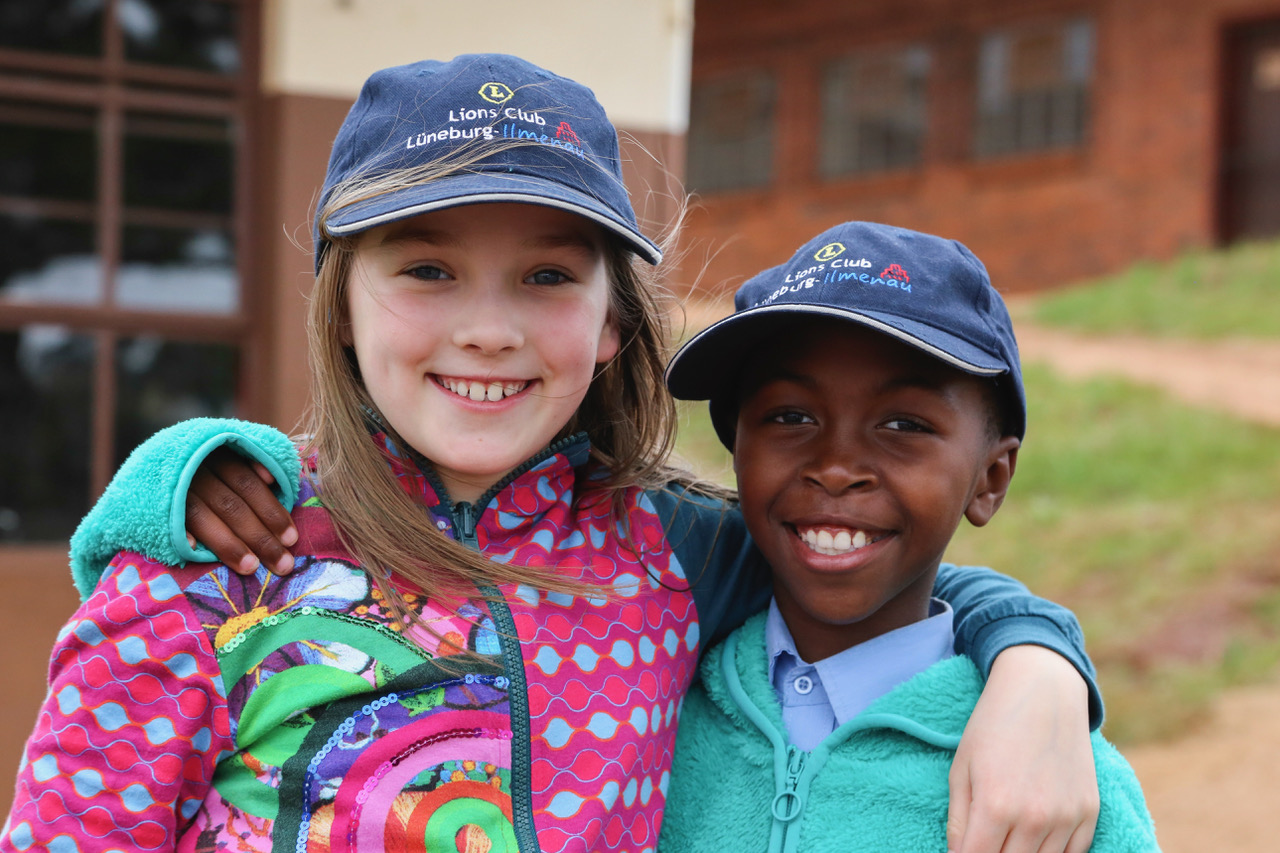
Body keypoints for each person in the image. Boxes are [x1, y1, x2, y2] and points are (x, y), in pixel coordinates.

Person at [4, 55, 1098, 853]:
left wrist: (1039, 672)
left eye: (545, 276)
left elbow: (884, 560)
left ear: (615, 323)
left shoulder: (677, 551)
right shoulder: (221, 548)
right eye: (427, 269)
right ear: (341, 306)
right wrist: (177, 467)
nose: (489, 329)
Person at [657, 221, 1158, 852]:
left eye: (903, 424)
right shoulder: (648, 701)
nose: (836, 467)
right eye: (790, 416)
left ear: (990, 479)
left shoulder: (1057, 788)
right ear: (738, 449)